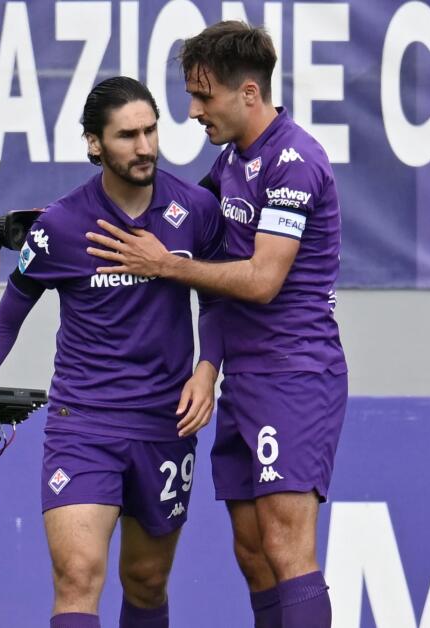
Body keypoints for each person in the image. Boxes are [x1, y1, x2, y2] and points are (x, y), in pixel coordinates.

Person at [0, 77, 225, 628]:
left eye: (151, 130)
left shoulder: (196, 208)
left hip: (165, 424)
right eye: (127, 135)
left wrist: (208, 370)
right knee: (79, 577)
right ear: (94, 144)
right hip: (82, 425)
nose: (144, 147)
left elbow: (218, 299)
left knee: (147, 580)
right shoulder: (61, 224)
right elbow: (3, 326)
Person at [84, 21, 347, 627]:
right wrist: (208, 365)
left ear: (248, 93)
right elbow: (185, 229)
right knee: (253, 553)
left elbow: (260, 280)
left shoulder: (295, 159)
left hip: (295, 373)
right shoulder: (231, 160)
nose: (193, 111)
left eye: (203, 97)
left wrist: (166, 266)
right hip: (244, 379)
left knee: (286, 545)